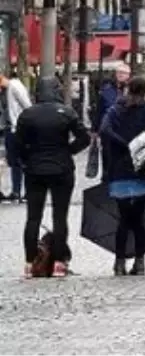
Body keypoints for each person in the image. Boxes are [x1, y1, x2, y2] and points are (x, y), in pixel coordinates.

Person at [13, 78, 90, 278]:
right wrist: (68, 151)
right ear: (57, 91)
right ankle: (58, 263)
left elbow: (17, 144)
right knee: (60, 216)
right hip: (61, 169)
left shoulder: (27, 115)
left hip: (35, 170)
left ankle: (30, 263)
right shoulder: (66, 113)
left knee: (33, 217)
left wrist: (27, 159)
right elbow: (85, 137)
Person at [99, 76, 145, 276]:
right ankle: (139, 262)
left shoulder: (115, 110)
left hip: (119, 169)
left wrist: (121, 143)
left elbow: (104, 129)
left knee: (123, 218)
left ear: (127, 89)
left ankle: (119, 262)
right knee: (138, 219)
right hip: (143, 169)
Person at [0, 71, 34, 202]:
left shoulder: (14, 86)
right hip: (11, 128)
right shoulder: (6, 89)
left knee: (21, 161)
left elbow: (27, 106)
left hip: (18, 128)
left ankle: (25, 192)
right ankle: (16, 191)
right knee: (14, 161)